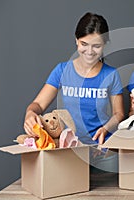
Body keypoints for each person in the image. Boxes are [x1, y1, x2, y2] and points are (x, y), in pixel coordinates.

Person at [23, 12, 124, 172]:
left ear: (105, 45)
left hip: (102, 151)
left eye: (96, 46)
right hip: (69, 151)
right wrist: (29, 114)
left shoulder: (111, 74)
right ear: (76, 40)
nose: (89, 51)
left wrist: (106, 128)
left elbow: (119, 114)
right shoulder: (62, 70)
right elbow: (38, 105)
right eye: (84, 44)